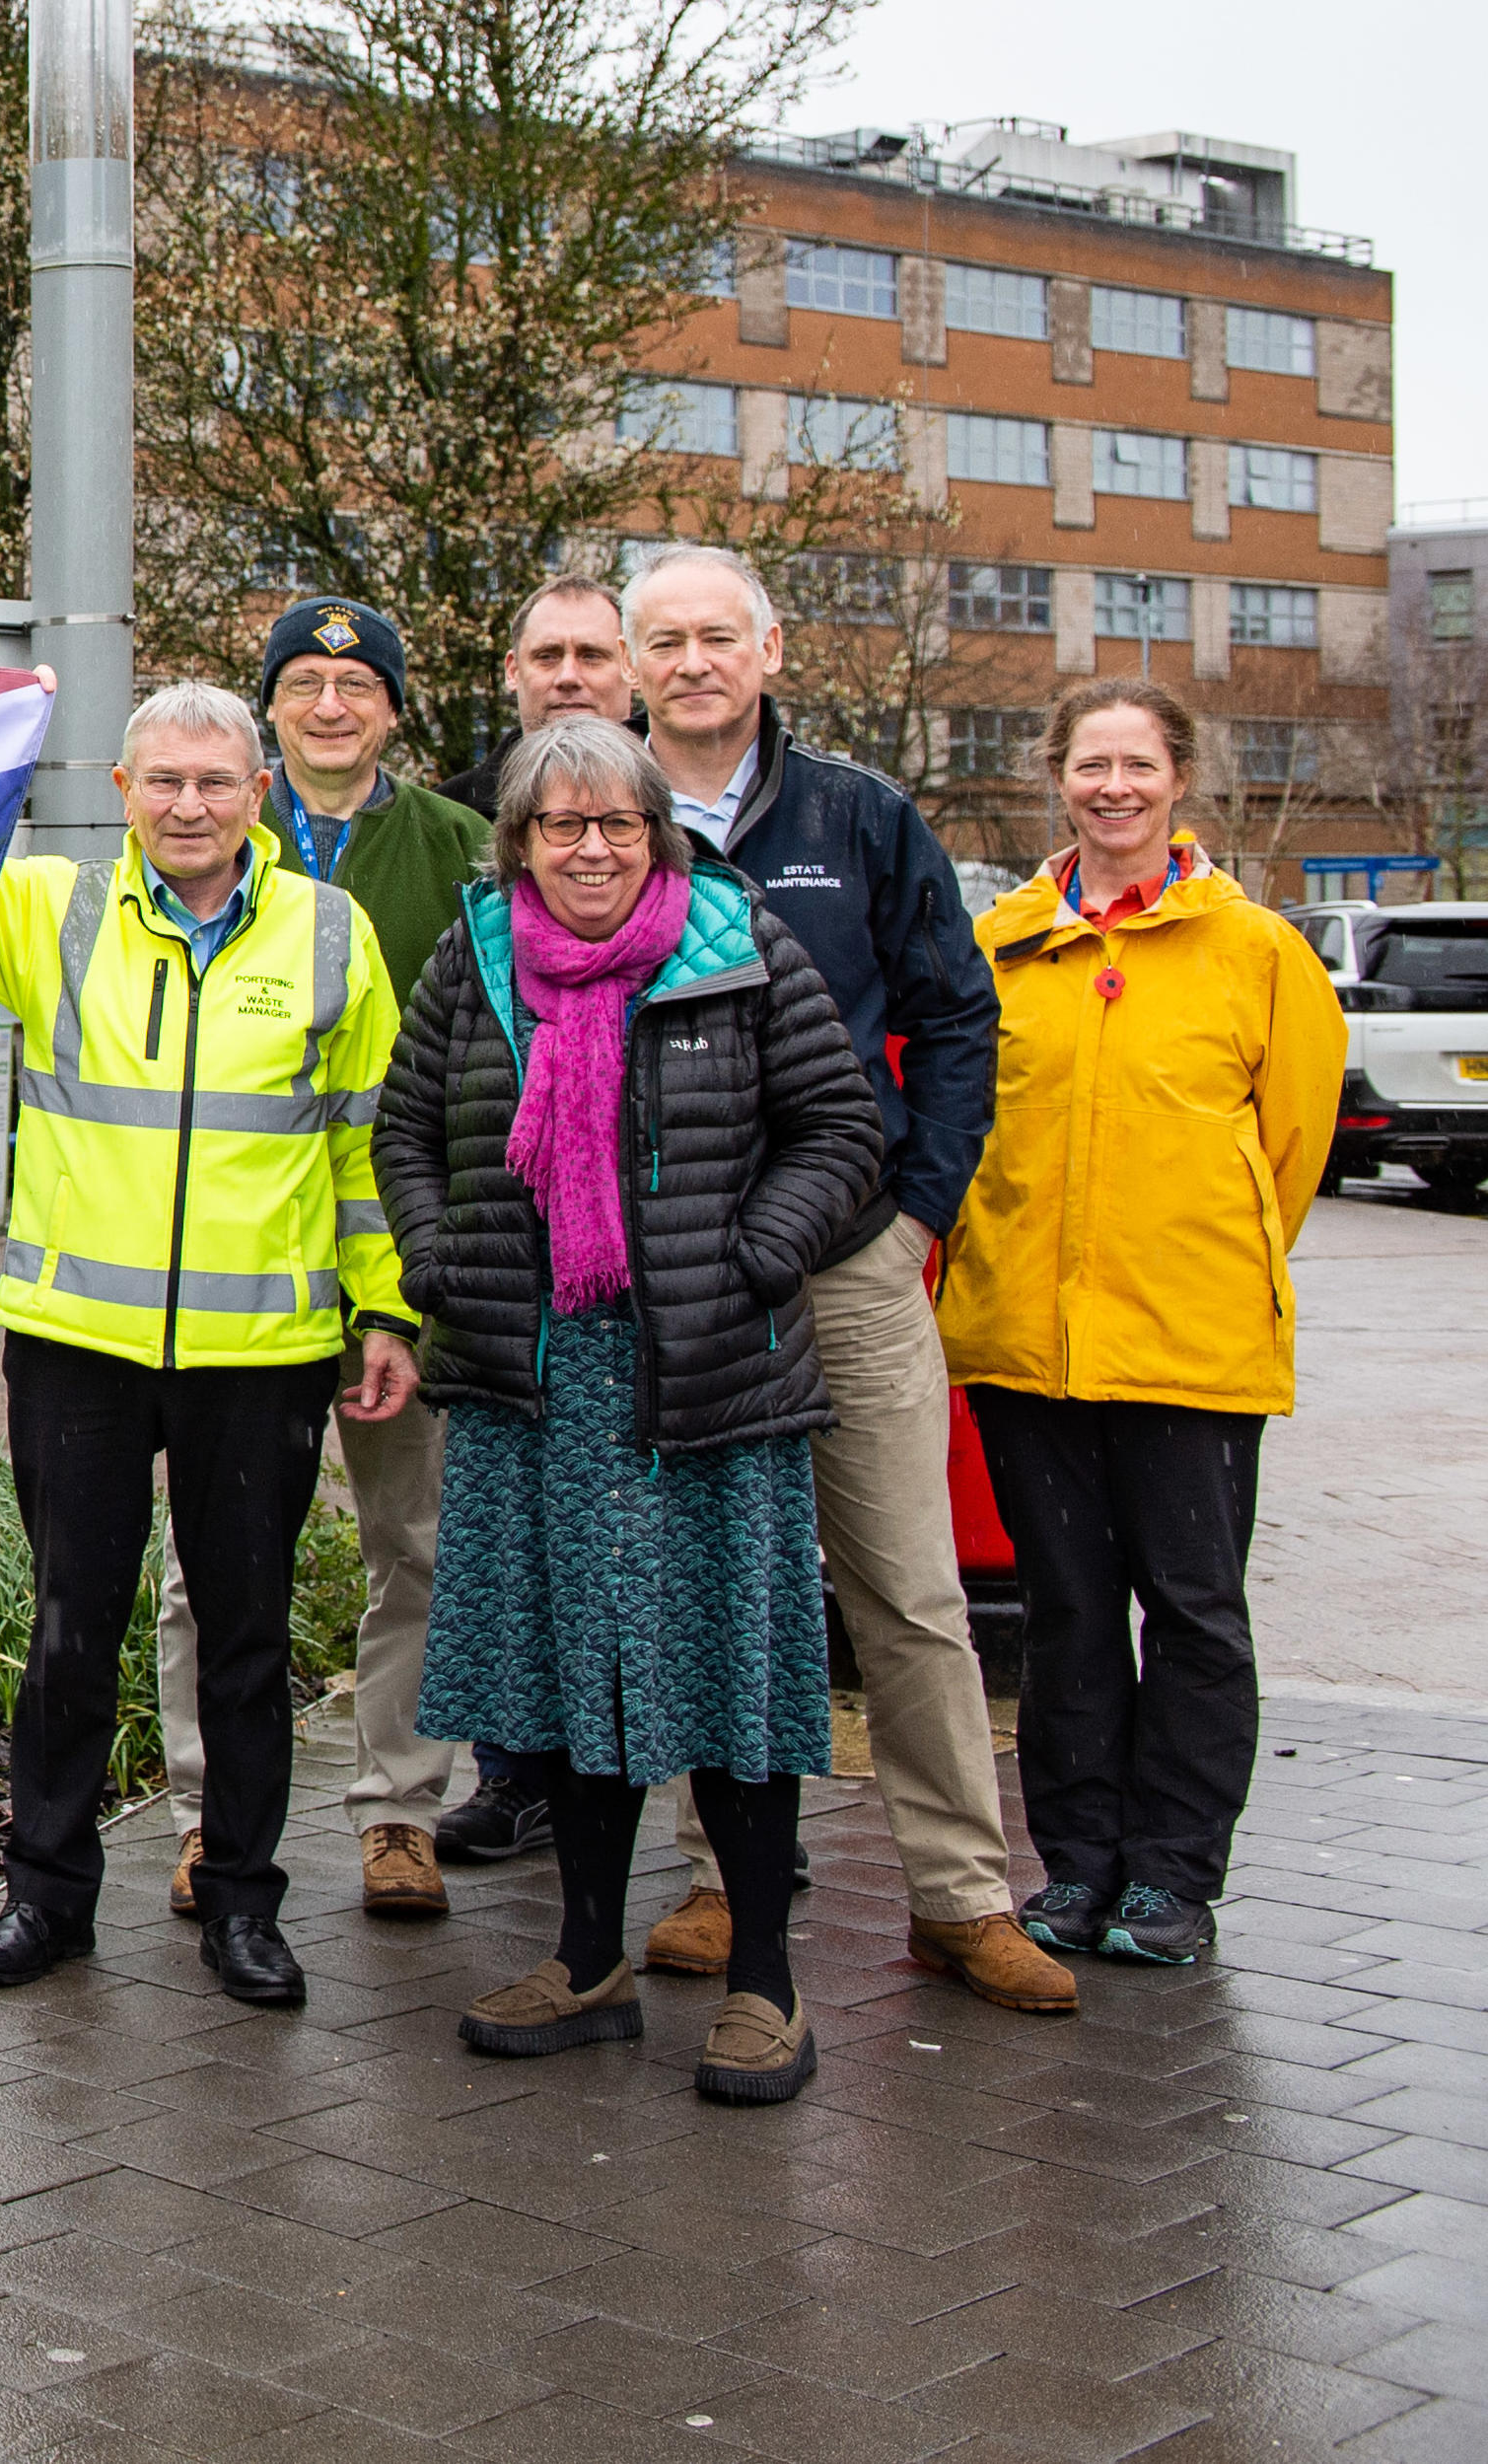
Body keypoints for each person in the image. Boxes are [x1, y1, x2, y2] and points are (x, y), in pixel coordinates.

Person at [378, 716, 884, 2103]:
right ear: (519, 842)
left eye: (614, 824)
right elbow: (404, 1131)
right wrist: (435, 1260)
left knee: (729, 1673)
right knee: (558, 1675)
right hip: (530, 1376)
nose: (587, 849)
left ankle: (765, 1986)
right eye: (559, 825)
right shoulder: (472, 959)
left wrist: (755, 1254)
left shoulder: (732, 945)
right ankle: (587, 1958)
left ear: (655, 834)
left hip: (701, 1378)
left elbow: (838, 1127)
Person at [618, 544, 1075, 2018]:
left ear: (766, 653)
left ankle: (956, 1894)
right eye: (663, 639)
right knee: (705, 1585)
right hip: (673, 1276)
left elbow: (955, 1017)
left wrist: (913, 1210)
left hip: (847, 1262)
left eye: (715, 637)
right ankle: (712, 1876)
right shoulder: (586, 813)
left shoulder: (858, 817)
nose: (690, 662)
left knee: (906, 1589)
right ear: (629, 664)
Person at [0, 677, 419, 2007]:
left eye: (214, 782)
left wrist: (380, 1308)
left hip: (258, 1352)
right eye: (160, 781)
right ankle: (43, 1899)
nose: (187, 805)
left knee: (245, 1639)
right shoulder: (51, 911)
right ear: (119, 791)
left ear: (257, 793)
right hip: (73, 1343)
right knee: (66, 1630)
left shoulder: (328, 935)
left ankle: (240, 1904)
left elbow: (361, 1149)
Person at [938, 680, 1344, 1968]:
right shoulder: (1000, 943)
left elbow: (1290, 1144)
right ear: (1054, 778)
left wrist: (1198, 1257)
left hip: (1188, 1344)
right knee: (1064, 1612)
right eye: (1087, 765)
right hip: (1023, 1341)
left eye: (1136, 764)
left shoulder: (1254, 951)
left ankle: (1171, 1873)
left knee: (1189, 1609)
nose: (1110, 787)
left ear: (1177, 779)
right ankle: (1074, 1865)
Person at [139, 600, 485, 1925]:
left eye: (356, 682)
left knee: (418, 1546)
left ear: (391, 707)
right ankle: (202, 1810)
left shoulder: (456, 850)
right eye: (305, 682)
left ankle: (397, 1809)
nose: (331, 702)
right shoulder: (209, 830)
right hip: (244, 1273)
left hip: (410, 1265)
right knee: (213, 1559)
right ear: (269, 711)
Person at [433, 571, 635, 1868]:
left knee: (645, 1555)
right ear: (508, 671)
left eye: (590, 652)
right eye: (542, 651)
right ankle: (516, 1778)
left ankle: (680, 1807)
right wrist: (437, 1249)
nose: (565, 671)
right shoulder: (463, 832)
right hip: (505, 1275)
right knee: (507, 1548)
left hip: (654, 1280)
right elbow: (419, 1087)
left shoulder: (663, 844)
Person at [438, 576, 633, 820]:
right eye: (547, 657)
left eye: (591, 656)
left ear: (631, 666)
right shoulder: (446, 818)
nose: (568, 677)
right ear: (513, 671)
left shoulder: (680, 803)